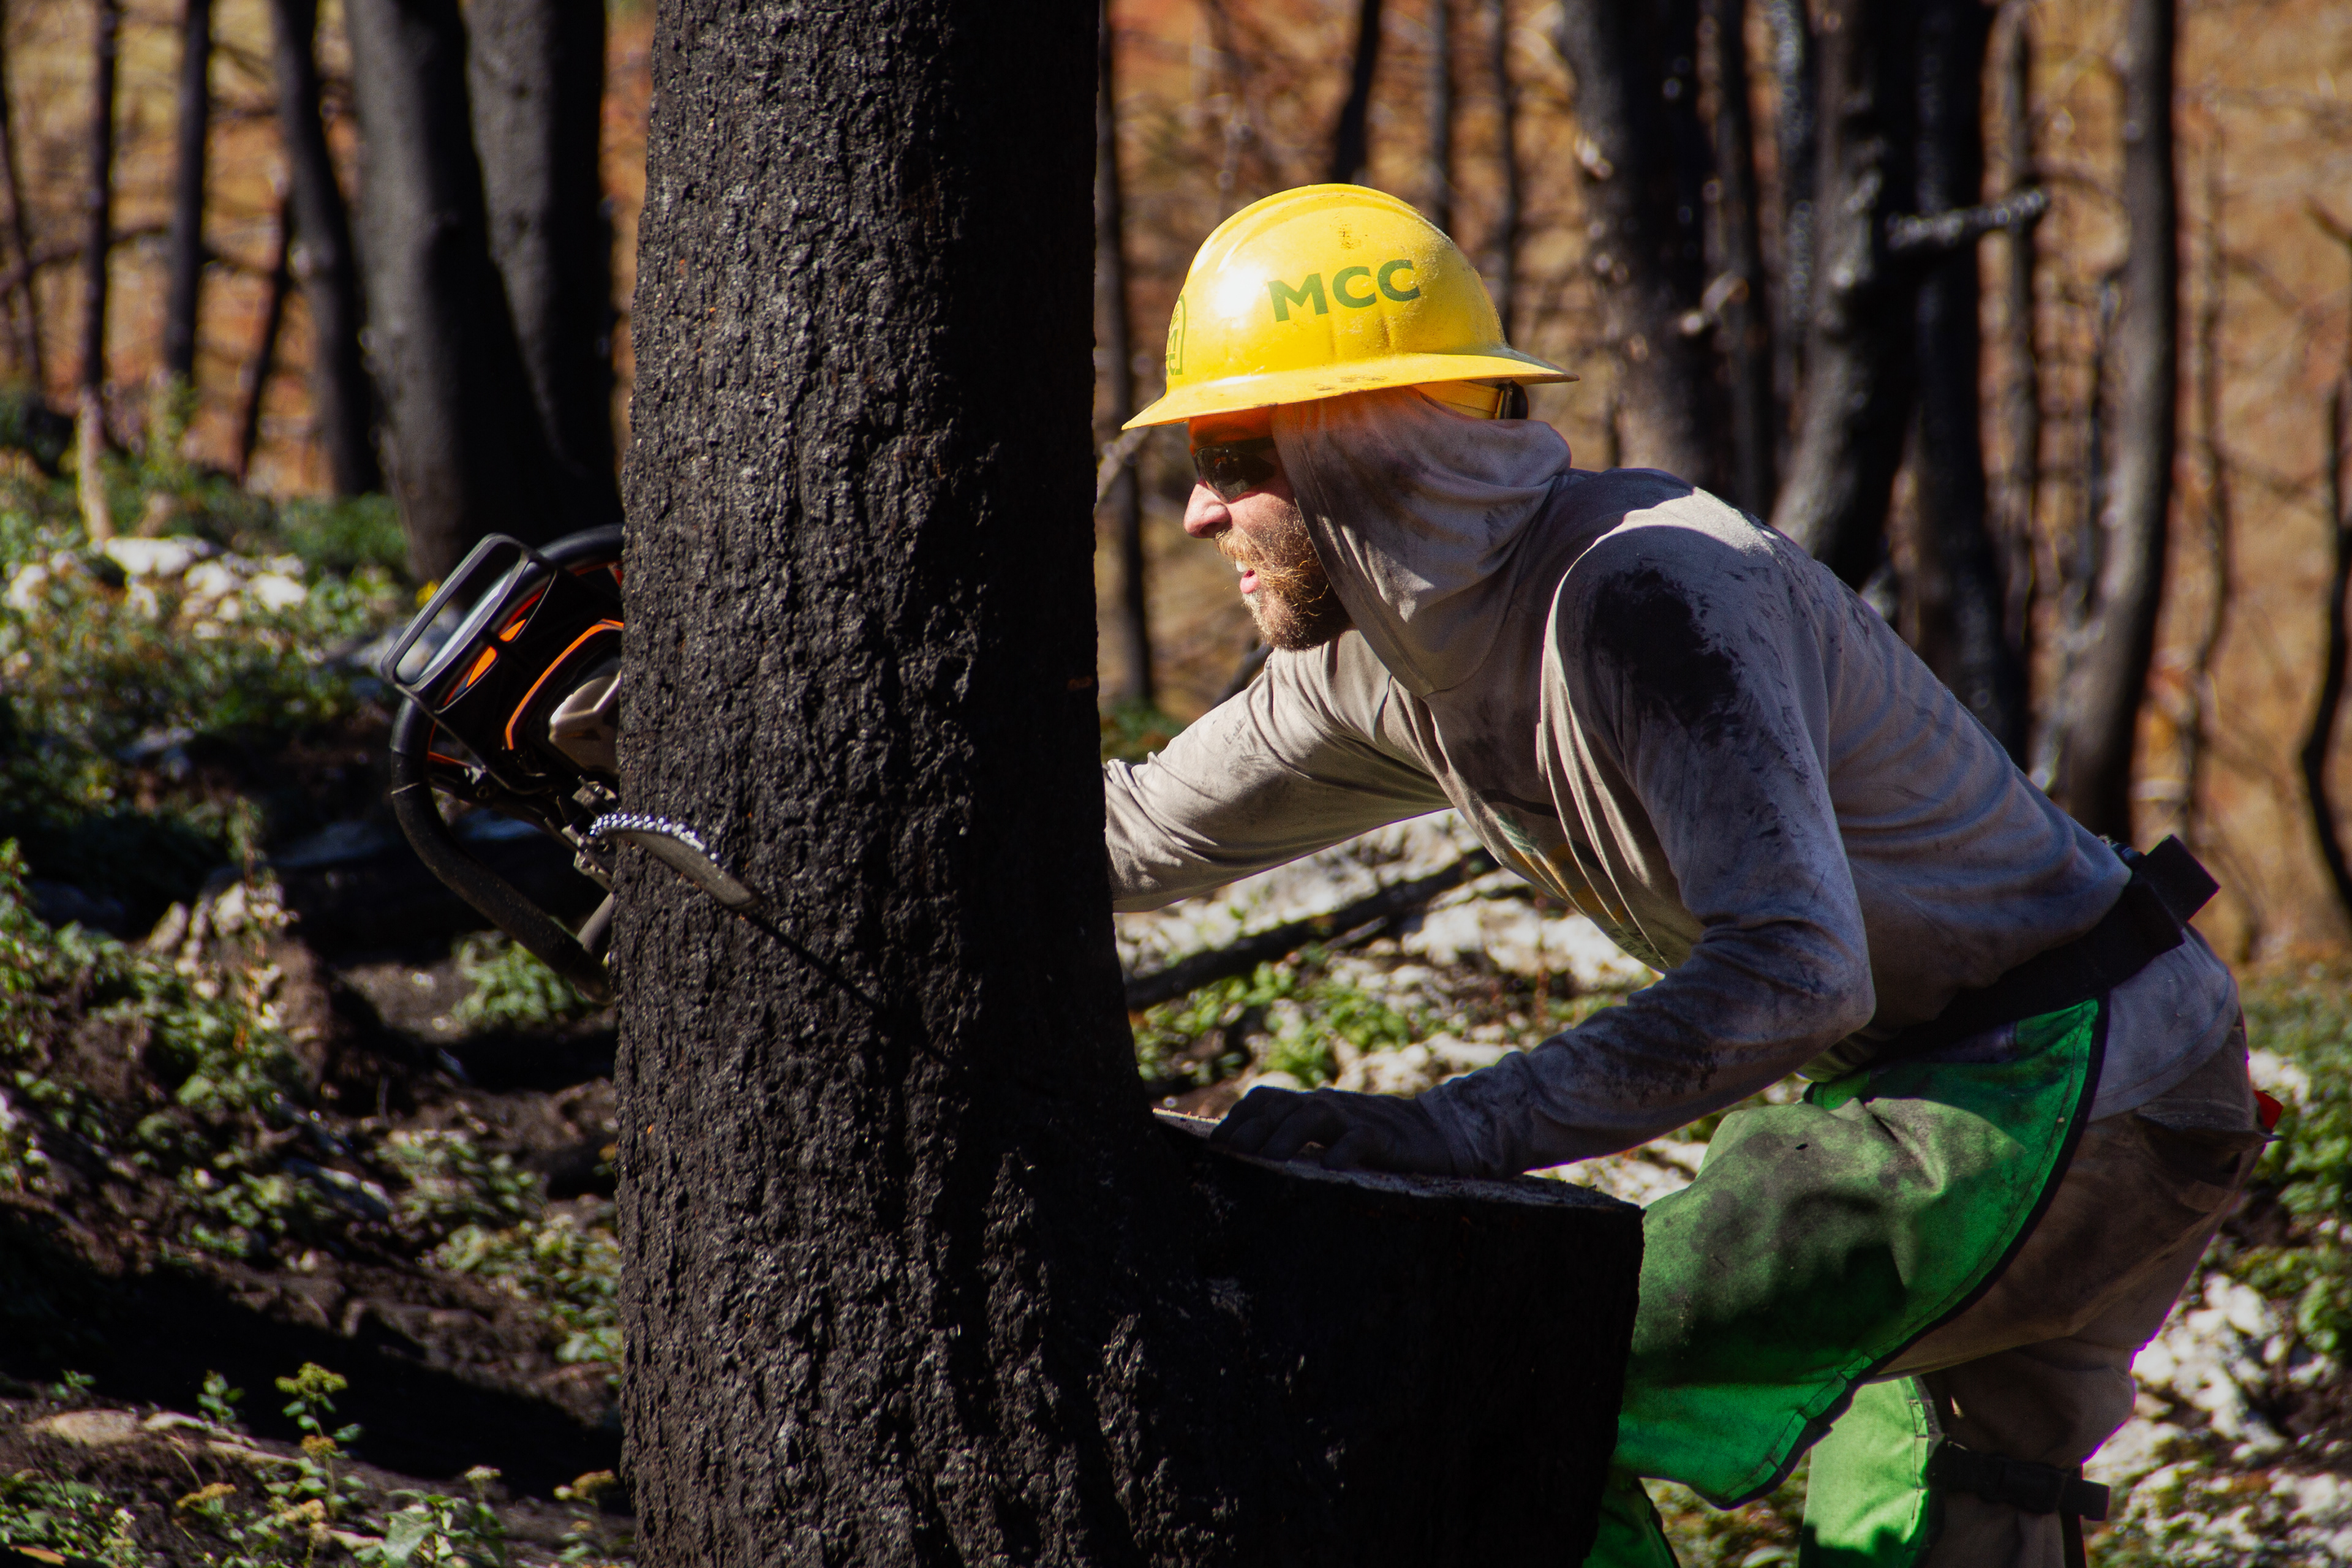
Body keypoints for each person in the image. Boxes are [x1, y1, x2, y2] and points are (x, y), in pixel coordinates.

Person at [1102, 184, 2267, 1568]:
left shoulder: (1649, 593)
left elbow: (1796, 969)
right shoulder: (1371, 672)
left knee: (1502, 1365)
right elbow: (1124, 837)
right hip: (2023, 1080)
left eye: (1235, 459)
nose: (1193, 513)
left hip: (2068, 1076)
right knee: (1951, 1519)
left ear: (1366, 447)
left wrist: (1452, 1129)